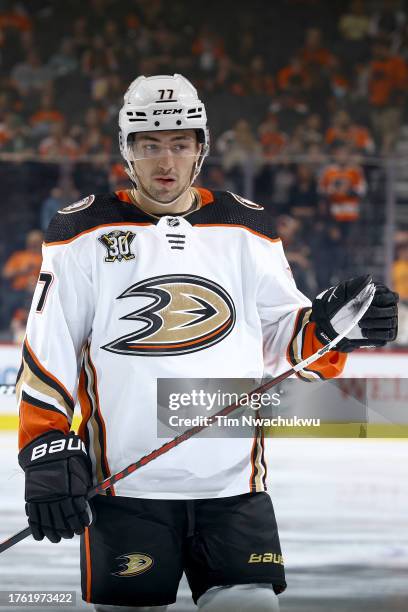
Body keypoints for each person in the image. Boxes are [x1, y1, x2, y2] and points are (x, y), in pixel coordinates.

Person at [16, 74, 398, 612]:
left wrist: (335, 329)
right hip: (126, 492)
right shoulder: (83, 233)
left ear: (201, 148)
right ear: (128, 150)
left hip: (234, 489)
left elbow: (286, 343)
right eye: (149, 145)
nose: (165, 162)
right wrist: (45, 449)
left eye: (179, 143)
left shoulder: (249, 227)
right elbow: (47, 352)